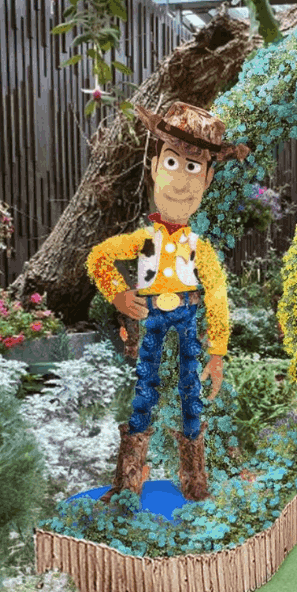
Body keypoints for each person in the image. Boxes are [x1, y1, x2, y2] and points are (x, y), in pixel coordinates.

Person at [87, 102, 248, 502]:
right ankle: (127, 486)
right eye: (173, 162)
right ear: (155, 165)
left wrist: (217, 352)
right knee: (145, 391)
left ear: (207, 179)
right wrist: (119, 294)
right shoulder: (143, 241)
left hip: (188, 318)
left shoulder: (199, 248)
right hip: (152, 316)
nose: (180, 179)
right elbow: (99, 257)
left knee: (190, 393)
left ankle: (196, 483)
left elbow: (217, 295)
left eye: (193, 167)